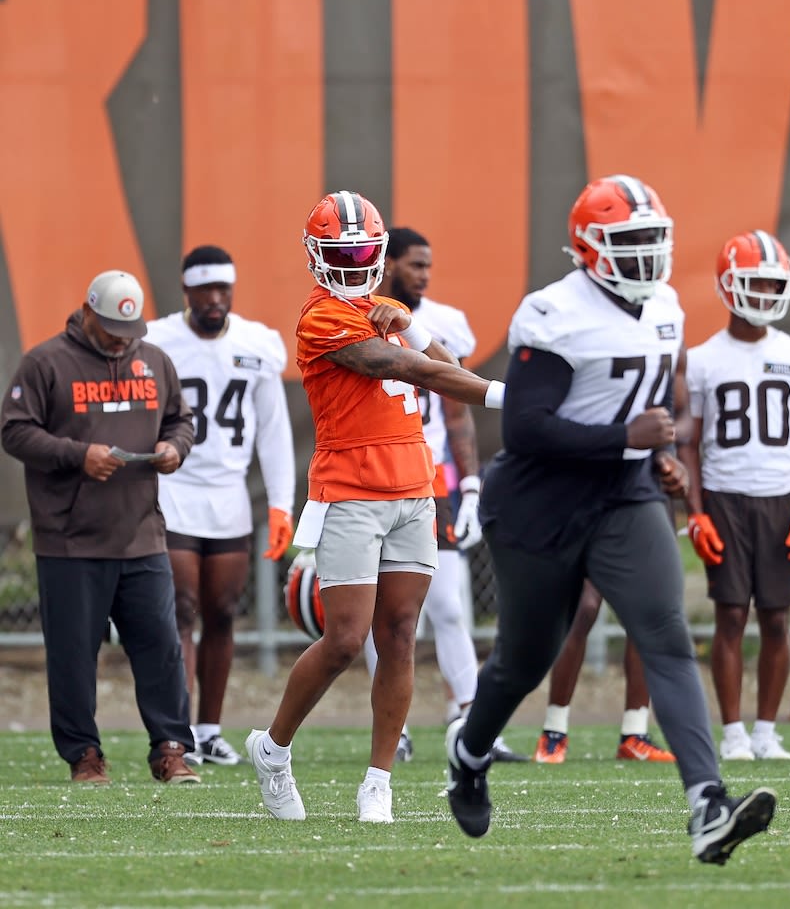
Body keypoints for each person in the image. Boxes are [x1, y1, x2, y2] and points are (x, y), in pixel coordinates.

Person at [444, 174, 775, 865]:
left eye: (654, 241)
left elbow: (651, 410)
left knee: (666, 636)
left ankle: (707, 804)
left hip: (624, 496)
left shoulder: (667, 307)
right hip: (540, 501)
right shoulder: (551, 312)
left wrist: (656, 458)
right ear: (590, 249)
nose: (647, 256)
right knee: (523, 661)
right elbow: (528, 428)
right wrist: (627, 438)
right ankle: (469, 753)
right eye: (631, 243)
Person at [245, 190, 505, 824]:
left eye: (363, 252)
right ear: (316, 257)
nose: (354, 263)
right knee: (343, 639)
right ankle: (274, 750)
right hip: (351, 489)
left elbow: (440, 358)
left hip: (414, 488)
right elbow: (418, 372)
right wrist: (507, 396)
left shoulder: (384, 305)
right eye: (342, 253)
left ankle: (378, 780)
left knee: (399, 635)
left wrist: (415, 327)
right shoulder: (320, 319)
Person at [1, 270, 199, 784]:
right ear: (87, 311)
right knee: (72, 655)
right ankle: (84, 756)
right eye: (111, 327)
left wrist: (174, 448)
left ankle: (171, 749)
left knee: (161, 646)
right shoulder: (45, 362)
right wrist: (77, 456)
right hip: (70, 539)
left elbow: (181, 419)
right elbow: (15, 431)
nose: (119, 339)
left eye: (128, 331)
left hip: (141, 533)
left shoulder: (154, 360)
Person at [366, 226, 526, 764]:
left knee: (451, 608)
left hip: (433, 482)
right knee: (378, 613)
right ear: (386, 264)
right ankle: (395, 724)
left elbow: (455, 408)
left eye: (428, 266)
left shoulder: (445, 321)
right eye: (415, 265)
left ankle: (470, 719)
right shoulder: (356, 312)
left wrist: (473, 482)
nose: (424, 275)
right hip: (373, 473)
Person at [680, 230, 790, 762]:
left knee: (777, 618)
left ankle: (766, 729)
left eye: (772, 283)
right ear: (727, 285)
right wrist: (695, 513)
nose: (764, 293)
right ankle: (735, 733)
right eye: (754, 281)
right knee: (730, 617)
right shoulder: (700, 359)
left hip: (782, 497)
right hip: (724, 496)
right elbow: (689, 444)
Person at [147, 247, 295, 767]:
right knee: (180, 610)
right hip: (175, 490)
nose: (214, 300)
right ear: (185, 291)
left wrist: (281, 504)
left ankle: (210, 729)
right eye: (204, 290)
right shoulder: (156, 338)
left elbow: (274, 432)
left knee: (223, 613)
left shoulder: (257, 343)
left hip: (230, 494)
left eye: (223, 290)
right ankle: (180, 729)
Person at [534, 580, 676, 763]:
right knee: (584, 608)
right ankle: (554, 732)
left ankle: (634, 735)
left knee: (643, 612)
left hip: (630, 550)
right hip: (584, 550)